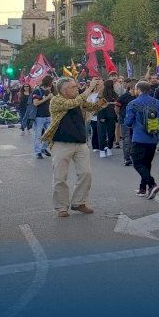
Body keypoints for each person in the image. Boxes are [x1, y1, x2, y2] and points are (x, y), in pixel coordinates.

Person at [41, 77, 107, 217]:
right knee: (60, 177)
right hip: (61, 143)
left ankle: (79, 202)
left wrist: (100, 93)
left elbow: (94, 107)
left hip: (80, 142)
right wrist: (89, 88)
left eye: (76, 86)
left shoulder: (79, 99)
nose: (77, 89)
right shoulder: (56, 100)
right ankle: (61, 207)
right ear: (63, 90)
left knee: (86, 173)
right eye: (73, 87)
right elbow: (73, 103)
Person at [123, 81, 159, 199]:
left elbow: (128, 122)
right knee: (146, 164)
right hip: (153, 138)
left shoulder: (133, 103)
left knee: (137, 162)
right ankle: (142, 189)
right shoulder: (158, 103)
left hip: (139, 138)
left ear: (138, 90)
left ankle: (152, 184)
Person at [92, 77, 119, 158]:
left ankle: (105, 149)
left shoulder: (109, 94)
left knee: (106, 133)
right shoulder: (106, 94)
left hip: (106, 115)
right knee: (106, 133)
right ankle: (105, 149)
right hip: (107, 115)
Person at [32, 76, 54, 159]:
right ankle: (38, 152)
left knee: (50, 134)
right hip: (39, 117)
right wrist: (47, 98)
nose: (52, 84)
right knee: (38, 136)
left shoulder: (49, 91)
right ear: (48, 82)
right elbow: (36, 103)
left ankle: (44, 148)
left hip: (48, 116)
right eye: (51, 82)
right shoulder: (37, 91)